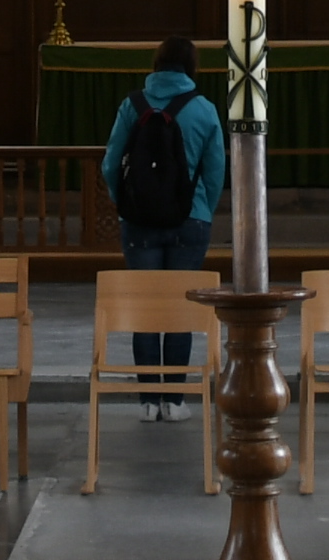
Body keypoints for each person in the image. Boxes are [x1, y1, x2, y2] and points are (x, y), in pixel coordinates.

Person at [99, 32, 225, 420]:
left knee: (146, 308)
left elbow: (110, 163)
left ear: (156, 64)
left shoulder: (132, 105)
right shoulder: (203, 108)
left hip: (139, 222)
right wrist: (202, 210)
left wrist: (125, 205)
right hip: (190, 220)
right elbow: (216, 171)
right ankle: (175, 401)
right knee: (178, 308)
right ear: (191, 67)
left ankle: (149, 401)